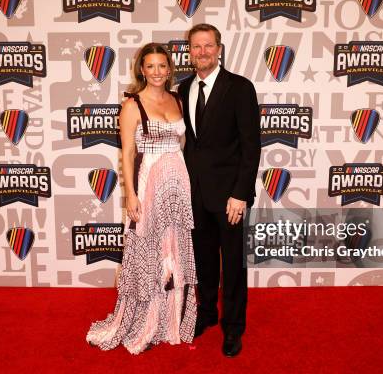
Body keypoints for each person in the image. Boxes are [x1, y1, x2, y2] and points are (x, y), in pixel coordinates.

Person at [86, 43, 197, 354]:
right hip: (149, 184)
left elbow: (183, 143)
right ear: (141, 70)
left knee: (174, 249)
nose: (158, 72)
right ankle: (144, 322)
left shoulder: (177, 99)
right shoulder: (132, 105)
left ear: (169, 69)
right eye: (151, 66)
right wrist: (130, 195)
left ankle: (170, 321)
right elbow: (128, 153)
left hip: (178, 183)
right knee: (148, 251)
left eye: (163, 66)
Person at [178, 24, 261, 357]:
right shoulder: (182, 89)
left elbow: (251, 145)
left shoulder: (240, 88)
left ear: (219, 49)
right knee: (204, 262)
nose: (202, 52)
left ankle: (233, 327)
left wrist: (240, 193)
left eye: (208, 45)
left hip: (230, 198)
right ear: (189, 52)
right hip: (195, 194)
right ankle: (208, 314)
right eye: (196, 47)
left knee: (234, 265)